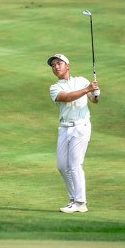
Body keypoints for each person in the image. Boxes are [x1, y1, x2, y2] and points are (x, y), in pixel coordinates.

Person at [47, 53, 100, 213]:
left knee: (75, 165)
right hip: (64, 127)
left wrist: (95, 92)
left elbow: (94, 100)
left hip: (81, 126)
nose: (56, 67)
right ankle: (73, 199)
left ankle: (80, 202)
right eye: (53, 65)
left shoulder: (81, 81)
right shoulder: (54, 88)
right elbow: (67, 97)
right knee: (62, 166)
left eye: (59, 63)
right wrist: (87, 89)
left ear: (68, 66)